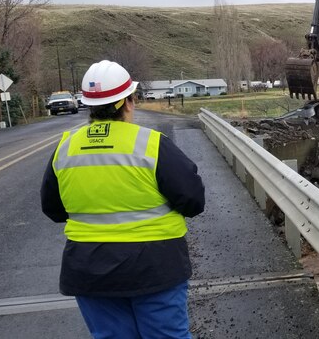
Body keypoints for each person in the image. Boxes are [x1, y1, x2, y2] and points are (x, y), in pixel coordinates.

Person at [40, 60, 205, 339]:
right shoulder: (151, 144)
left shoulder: (65, 147)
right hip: (155, 265)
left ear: (89, 106)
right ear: (129, 101)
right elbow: (193, 200)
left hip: (89, 269)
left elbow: (53, 209)